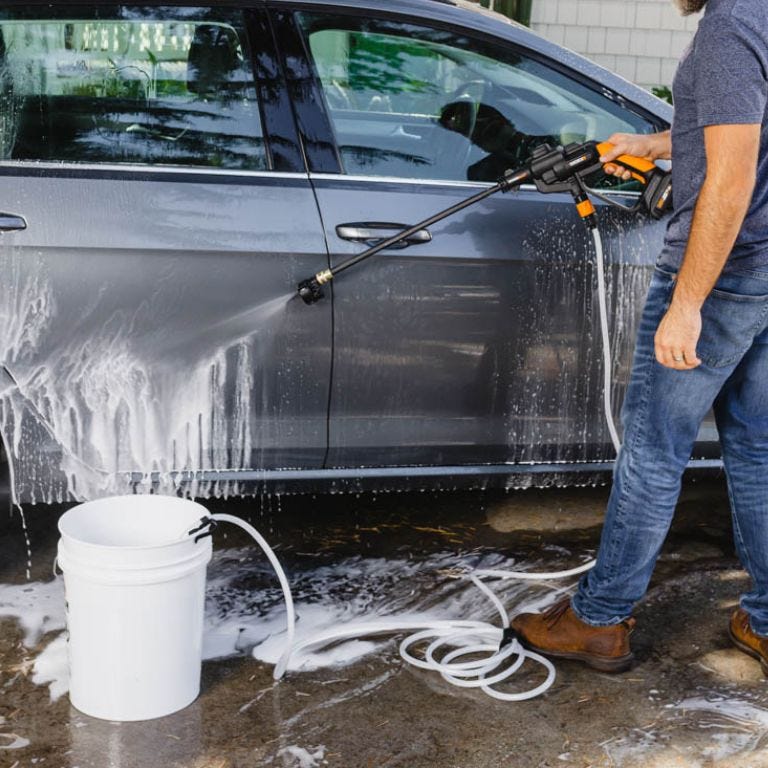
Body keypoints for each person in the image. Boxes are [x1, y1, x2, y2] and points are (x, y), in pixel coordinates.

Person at [511, 0, 768, 674]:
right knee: (758, 451)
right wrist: (654, 146)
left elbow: (732, 176)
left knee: (654, 450)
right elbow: (744, 136)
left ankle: (598, 619)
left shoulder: (731, 24)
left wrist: (688, 301)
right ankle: (767, 622)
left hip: (724, 274)